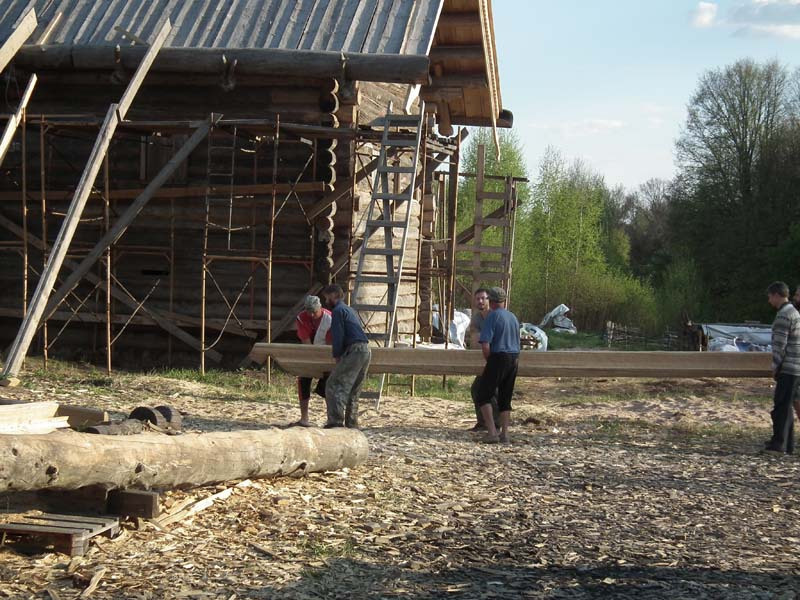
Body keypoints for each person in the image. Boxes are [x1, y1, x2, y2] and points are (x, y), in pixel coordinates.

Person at [322, 284, 371, 429]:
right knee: (354, 388)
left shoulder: (337, 311)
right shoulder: (348, 309)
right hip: (366, 350)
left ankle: (335, 421)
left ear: (333, 296)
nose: (326, 302)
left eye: (326, 298)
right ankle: (352, 422)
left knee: (333, 384)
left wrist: (337, 354)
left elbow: (338, 335)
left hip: (354, 350)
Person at [476, 287, 520, 444]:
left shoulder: (492, 316)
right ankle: (505, 434)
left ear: (491, 301)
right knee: (505, 396)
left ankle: (492, 432)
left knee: (482, 394)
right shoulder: (513, 317)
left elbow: (486, 344)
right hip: (514, 358)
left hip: (499, 357)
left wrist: (490, 362)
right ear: (504, 301)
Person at [764, 281, 800, 454]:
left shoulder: (783, 316)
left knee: (781, 406)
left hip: (788, 367)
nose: (769, 301)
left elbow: (779, 345)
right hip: (797, 366)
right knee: (786, 406)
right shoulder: (794, 313)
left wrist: (775, 366)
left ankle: (778, 443)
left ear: (777, 295)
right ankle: (788, 444)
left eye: (770, 297)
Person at [290, 295, 332, 427]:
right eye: (309, 311)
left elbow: (331, 343)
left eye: (314, 311)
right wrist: (311, 360)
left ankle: (331, 419)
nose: (312, 314)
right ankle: (304, 418)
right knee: (303, 380)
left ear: (320, 308)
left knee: (329, 386)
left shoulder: (330, 319)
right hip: (310, 354)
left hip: (327, 354)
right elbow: (306, 341)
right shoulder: (302, 318)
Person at [468, 288, 500, 432]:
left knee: (490, 390)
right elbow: (475, 341)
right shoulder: (476, 318)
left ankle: (495, 424)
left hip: (497, 358)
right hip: (484, 358)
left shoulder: (495, 316)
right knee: (477, 389)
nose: (480, 301)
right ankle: (483, 422)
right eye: (478, 299)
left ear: (489, 300)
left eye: (483, 298)